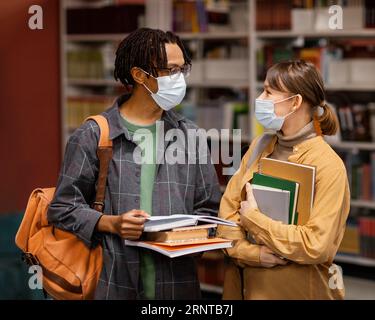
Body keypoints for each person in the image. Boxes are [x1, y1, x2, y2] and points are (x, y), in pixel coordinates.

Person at [47, 28, 221, 300]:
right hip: (114, 283)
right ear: (140, 75)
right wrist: (111, 223)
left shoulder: (192, 136)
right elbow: (61, 208)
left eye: (182, 69)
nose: (179, 79)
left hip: (177, 287)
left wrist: (188, 239)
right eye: (170, 70)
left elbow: (209, 208)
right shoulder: (94, 134)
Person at [217, 59, 351, 300]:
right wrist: (253, 254)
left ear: (295, 102)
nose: (260, 98)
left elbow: (315, 245)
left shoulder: (328, 165)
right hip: (244, 290)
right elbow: (226, 220)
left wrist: (254, 220)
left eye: (268, 91)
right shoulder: (259, 146)